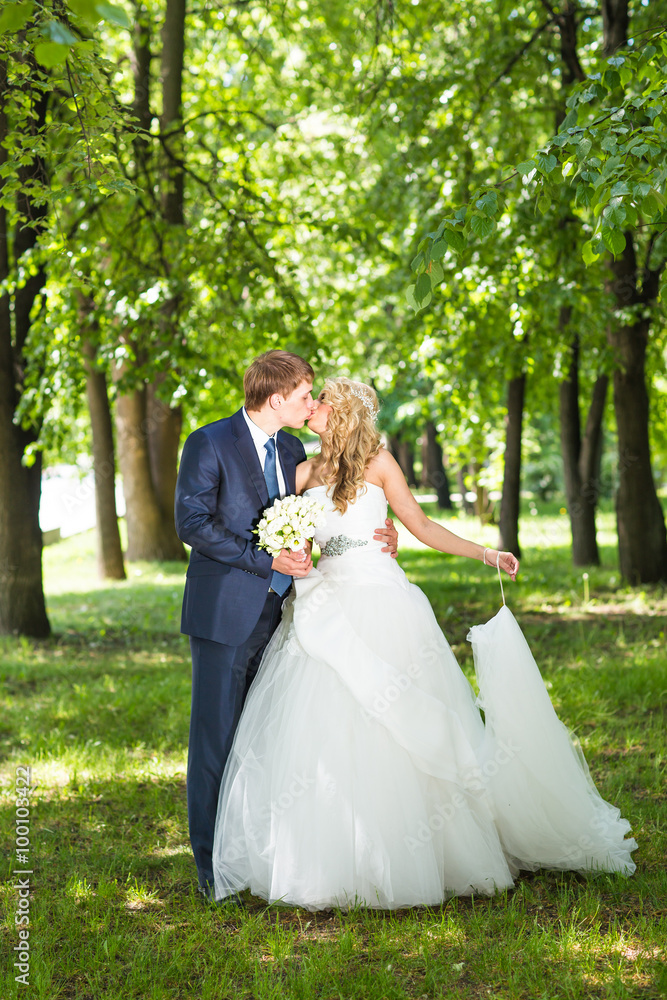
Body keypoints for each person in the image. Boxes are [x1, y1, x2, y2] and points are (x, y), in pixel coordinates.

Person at [211, 376, 637, 910]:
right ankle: (331, 855)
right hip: (325, 601)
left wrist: (489, 554)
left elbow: (421, 525)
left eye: (322, 402)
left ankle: (428, 846)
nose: (312, 407)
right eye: (310, 400)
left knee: (401, 712)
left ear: (343, 415)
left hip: (383, 600)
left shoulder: (381, 464)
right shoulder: (301, 472)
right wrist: (291, 549)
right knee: (322, 717)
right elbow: (287, 536)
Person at [174, 353, 398, 900]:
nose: (311, 402)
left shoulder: (296, 449)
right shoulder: (209, 443)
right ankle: (211, 869)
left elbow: (335, 503)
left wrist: (383, 533)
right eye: (304, 395)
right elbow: (192, 523)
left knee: (262, 739)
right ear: (277, 399)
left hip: (286, 613)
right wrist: (264, 559)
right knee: (215, 738)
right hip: (226, 613)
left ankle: (254, 852)